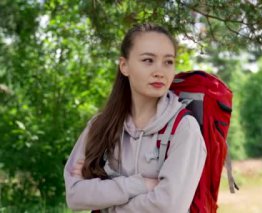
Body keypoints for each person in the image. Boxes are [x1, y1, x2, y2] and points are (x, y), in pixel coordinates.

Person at [64, 23, 207, 213]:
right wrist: (140, 185)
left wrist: (104, 202)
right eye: (148, 60)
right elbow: (75, 196)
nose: (160, 71)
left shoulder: (183, 128)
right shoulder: (100, 126)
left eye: (168, 62)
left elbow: (168, 207)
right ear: (124, 66)